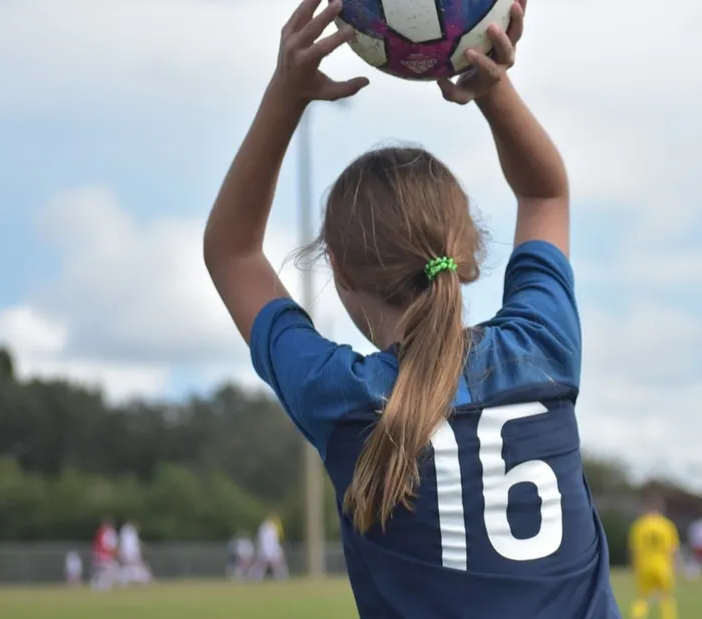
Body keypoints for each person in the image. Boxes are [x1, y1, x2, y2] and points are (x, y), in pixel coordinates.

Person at [203, 0, 619, 616]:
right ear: (468, 253)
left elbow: (233, 254)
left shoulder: (342, 398)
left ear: (339, 271)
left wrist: (285, 94)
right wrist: (492, 86)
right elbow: (545, 190)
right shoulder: (539, 347)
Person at [628, 494, 680, 619]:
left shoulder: (639, 525)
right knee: (666, 598)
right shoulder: (666, 525)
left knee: (642, 598)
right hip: (663, 566)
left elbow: (635, 549)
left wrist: (634, 566)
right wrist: (675, 566)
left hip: (644, 566)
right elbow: (673, 549)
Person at [253, 513, 288, 581]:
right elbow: (265, 541)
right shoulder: (267, 528)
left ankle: (282, 578)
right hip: (267, 551)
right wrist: (268, 553)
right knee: (261, 566)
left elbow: (274, 541)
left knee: (278, 565)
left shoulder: (271, 528)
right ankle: (255, 578)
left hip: (271, 551)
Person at [118, 520, 153, 586]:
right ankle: (143, 580)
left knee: (130, 568)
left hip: (130, 554)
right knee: (133, 567)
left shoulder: (128, 534)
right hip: (131, 554)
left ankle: (125, 581)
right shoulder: (129, 533)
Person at [90, 518, 119, 591]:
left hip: (100, 554)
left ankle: (99, 585)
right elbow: (107, 545)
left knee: (102, 571)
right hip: (103, 554)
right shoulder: (106, 533)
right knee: (105, 571)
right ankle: (102, 586)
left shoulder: (101, 532)